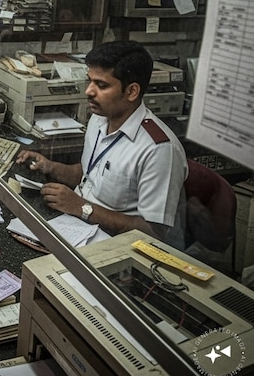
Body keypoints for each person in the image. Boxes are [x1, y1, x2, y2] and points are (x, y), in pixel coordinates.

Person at [16, 40, 187, 248]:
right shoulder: (100, 118)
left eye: (102, 85)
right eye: (90, 81)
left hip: (113, 244)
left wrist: (82, 208)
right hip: (75, 225)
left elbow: (153, 233)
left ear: (132, 91)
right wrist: (50, 167)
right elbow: (90, 175)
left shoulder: (159, 149)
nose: (89, 91)